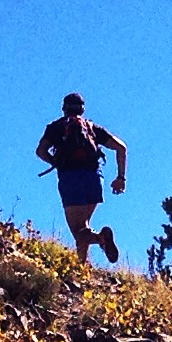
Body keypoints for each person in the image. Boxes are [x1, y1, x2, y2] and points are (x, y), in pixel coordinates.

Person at [36, 93, 126, 265]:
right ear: (82, 109)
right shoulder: (93, 129)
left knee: (78, 231)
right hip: (94, 178)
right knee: (83, 226)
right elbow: (121, 148)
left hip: (71, 177)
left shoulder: (56, 127)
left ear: (64, 108)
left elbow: (40, 151)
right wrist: (121, 177)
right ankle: (82, 266)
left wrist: (55, 162)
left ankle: (101, 238)